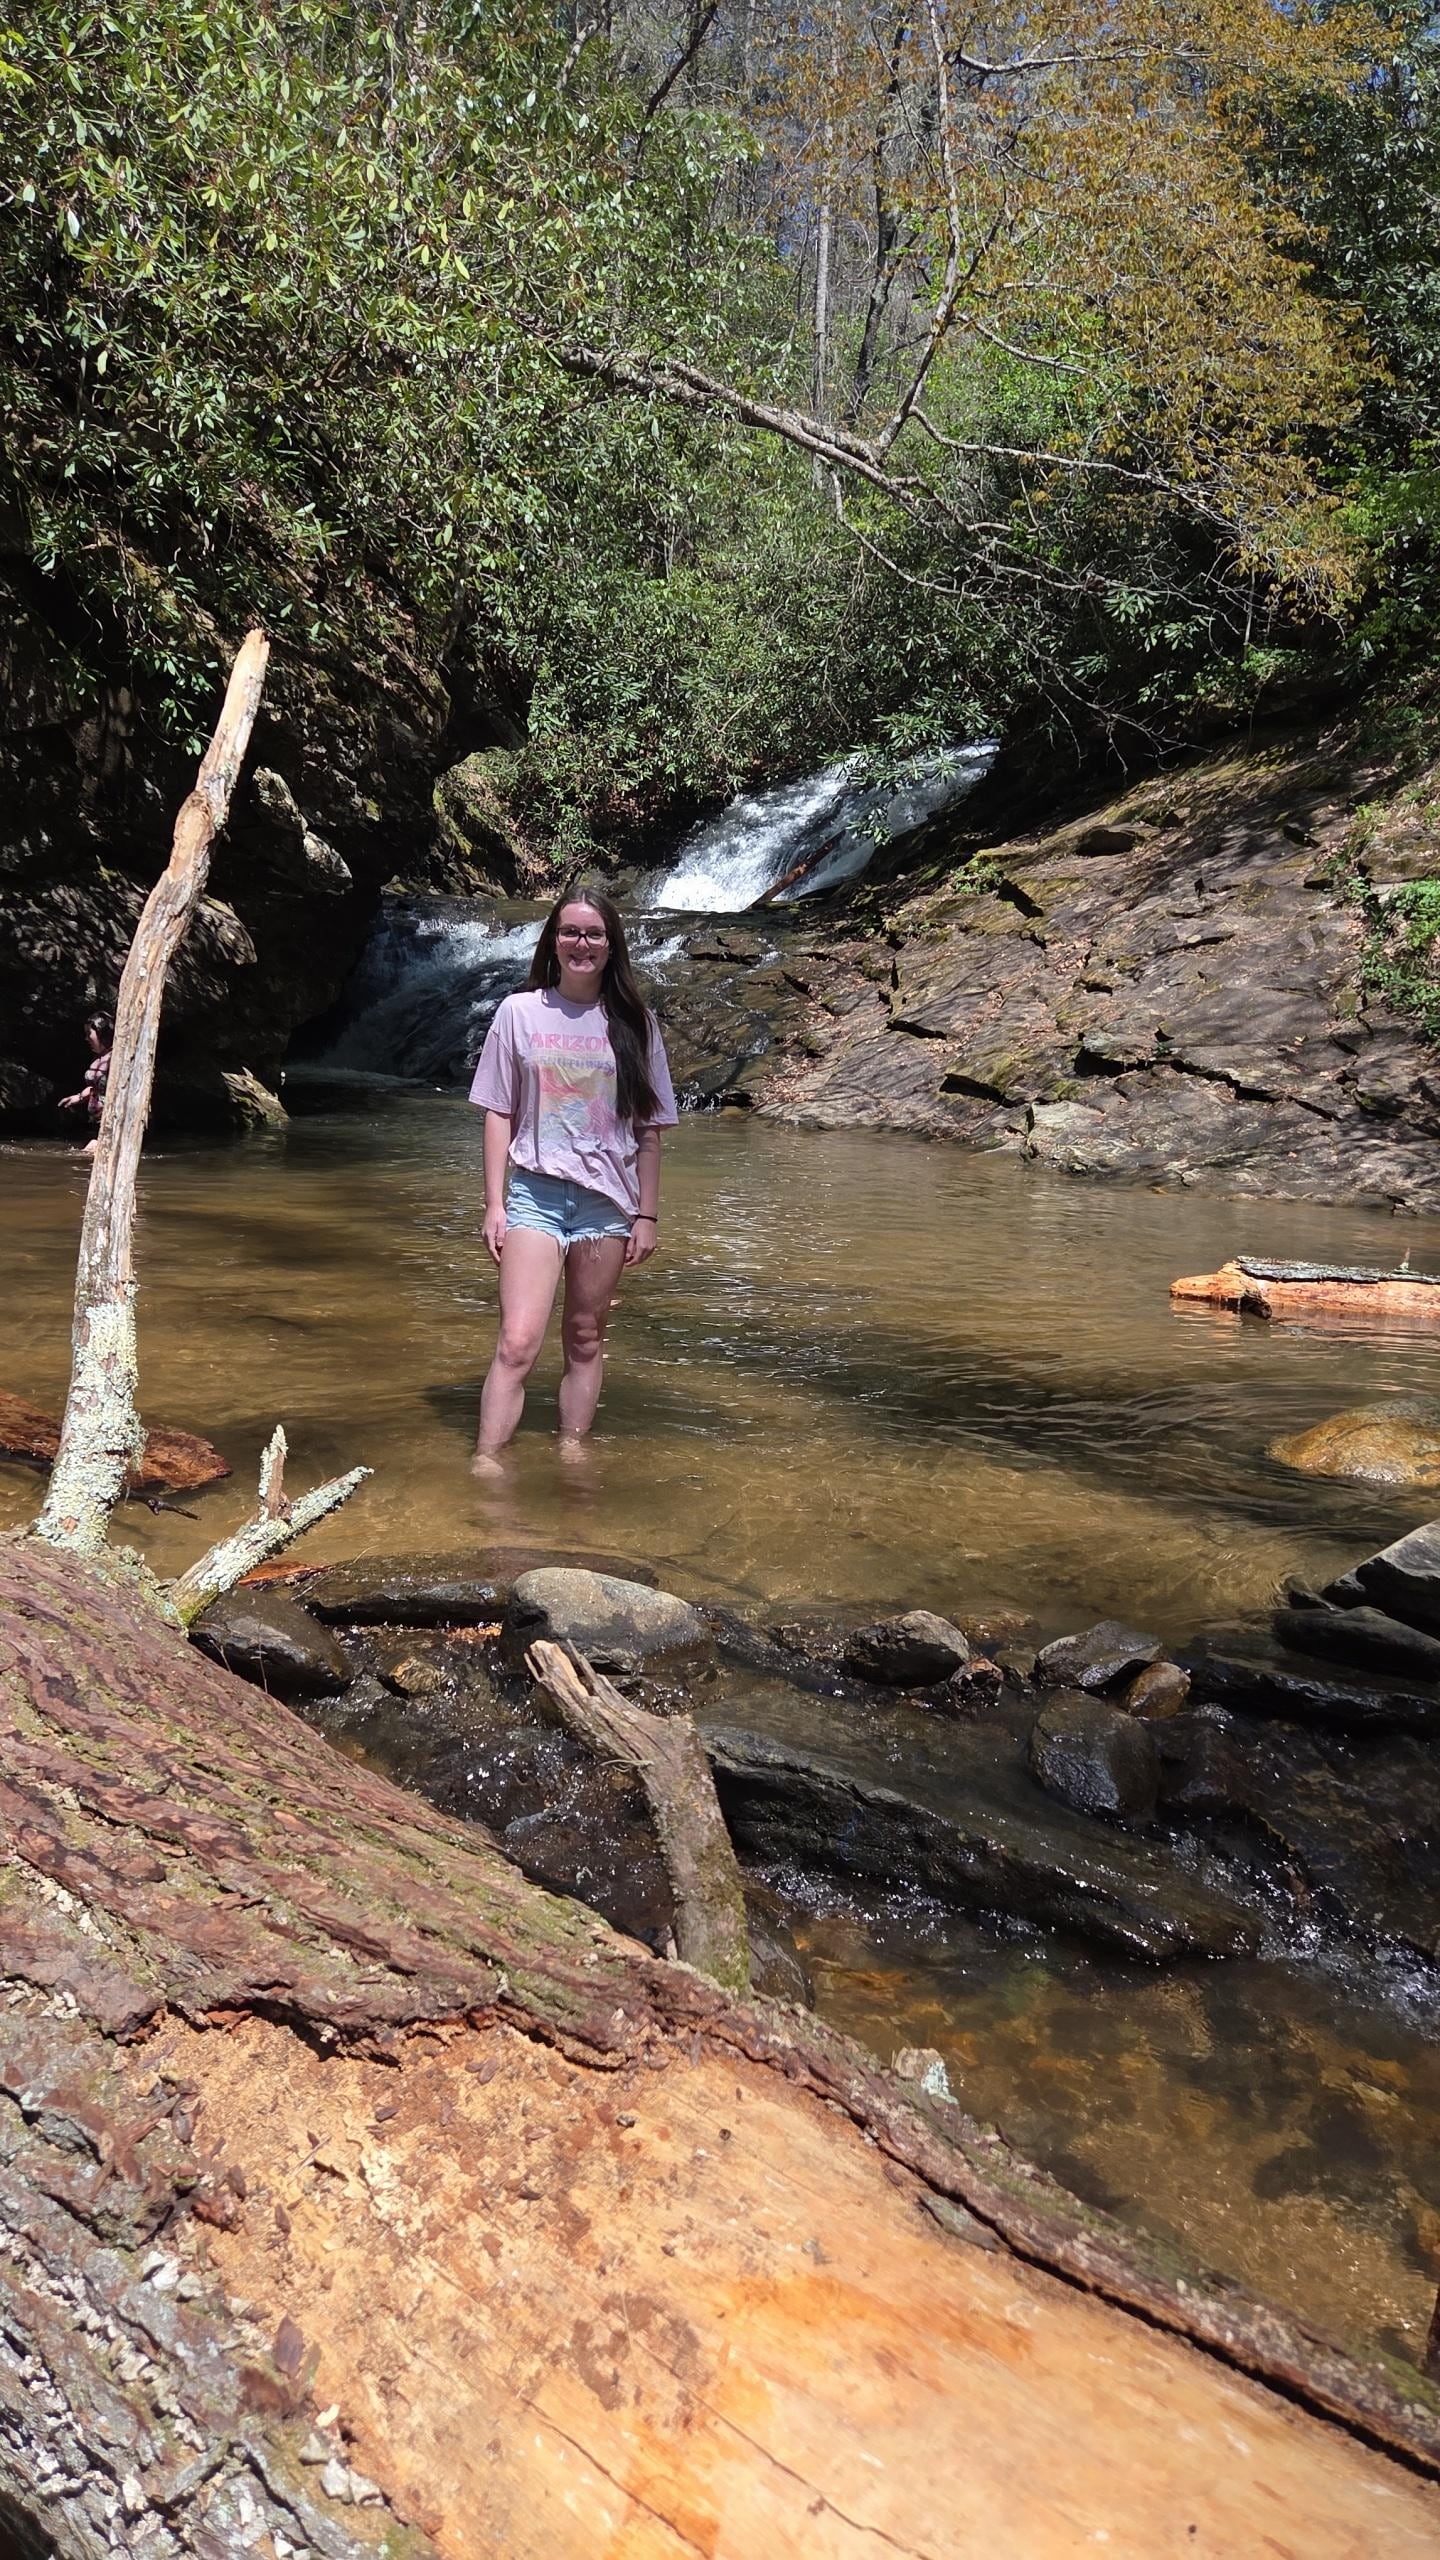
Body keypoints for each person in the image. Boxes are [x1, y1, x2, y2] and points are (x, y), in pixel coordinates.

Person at [468, 883, 677, 1471]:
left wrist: (647, 1214)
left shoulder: (636, 1024)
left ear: (611, 946)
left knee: (585, 1336)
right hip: (534, 1194)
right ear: (553, 942)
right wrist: (494, 1203)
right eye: (570, 932)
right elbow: (498, 1110)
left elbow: (649, 1129)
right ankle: (487, 1459)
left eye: (593, 934)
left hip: (608, 1202)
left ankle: (571, 1447)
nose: (581, 944)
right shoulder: (518, 1012)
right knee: (517, 1341)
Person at [58, 1014, 113, 1153]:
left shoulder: (117, 1057)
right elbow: (96, 1087)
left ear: (101, 1033)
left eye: (89, 1034)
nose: (86, 1038)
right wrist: (79, 1097)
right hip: (96, 1122)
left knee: (85, 1156)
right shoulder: (98, 1057)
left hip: (112, 1123)